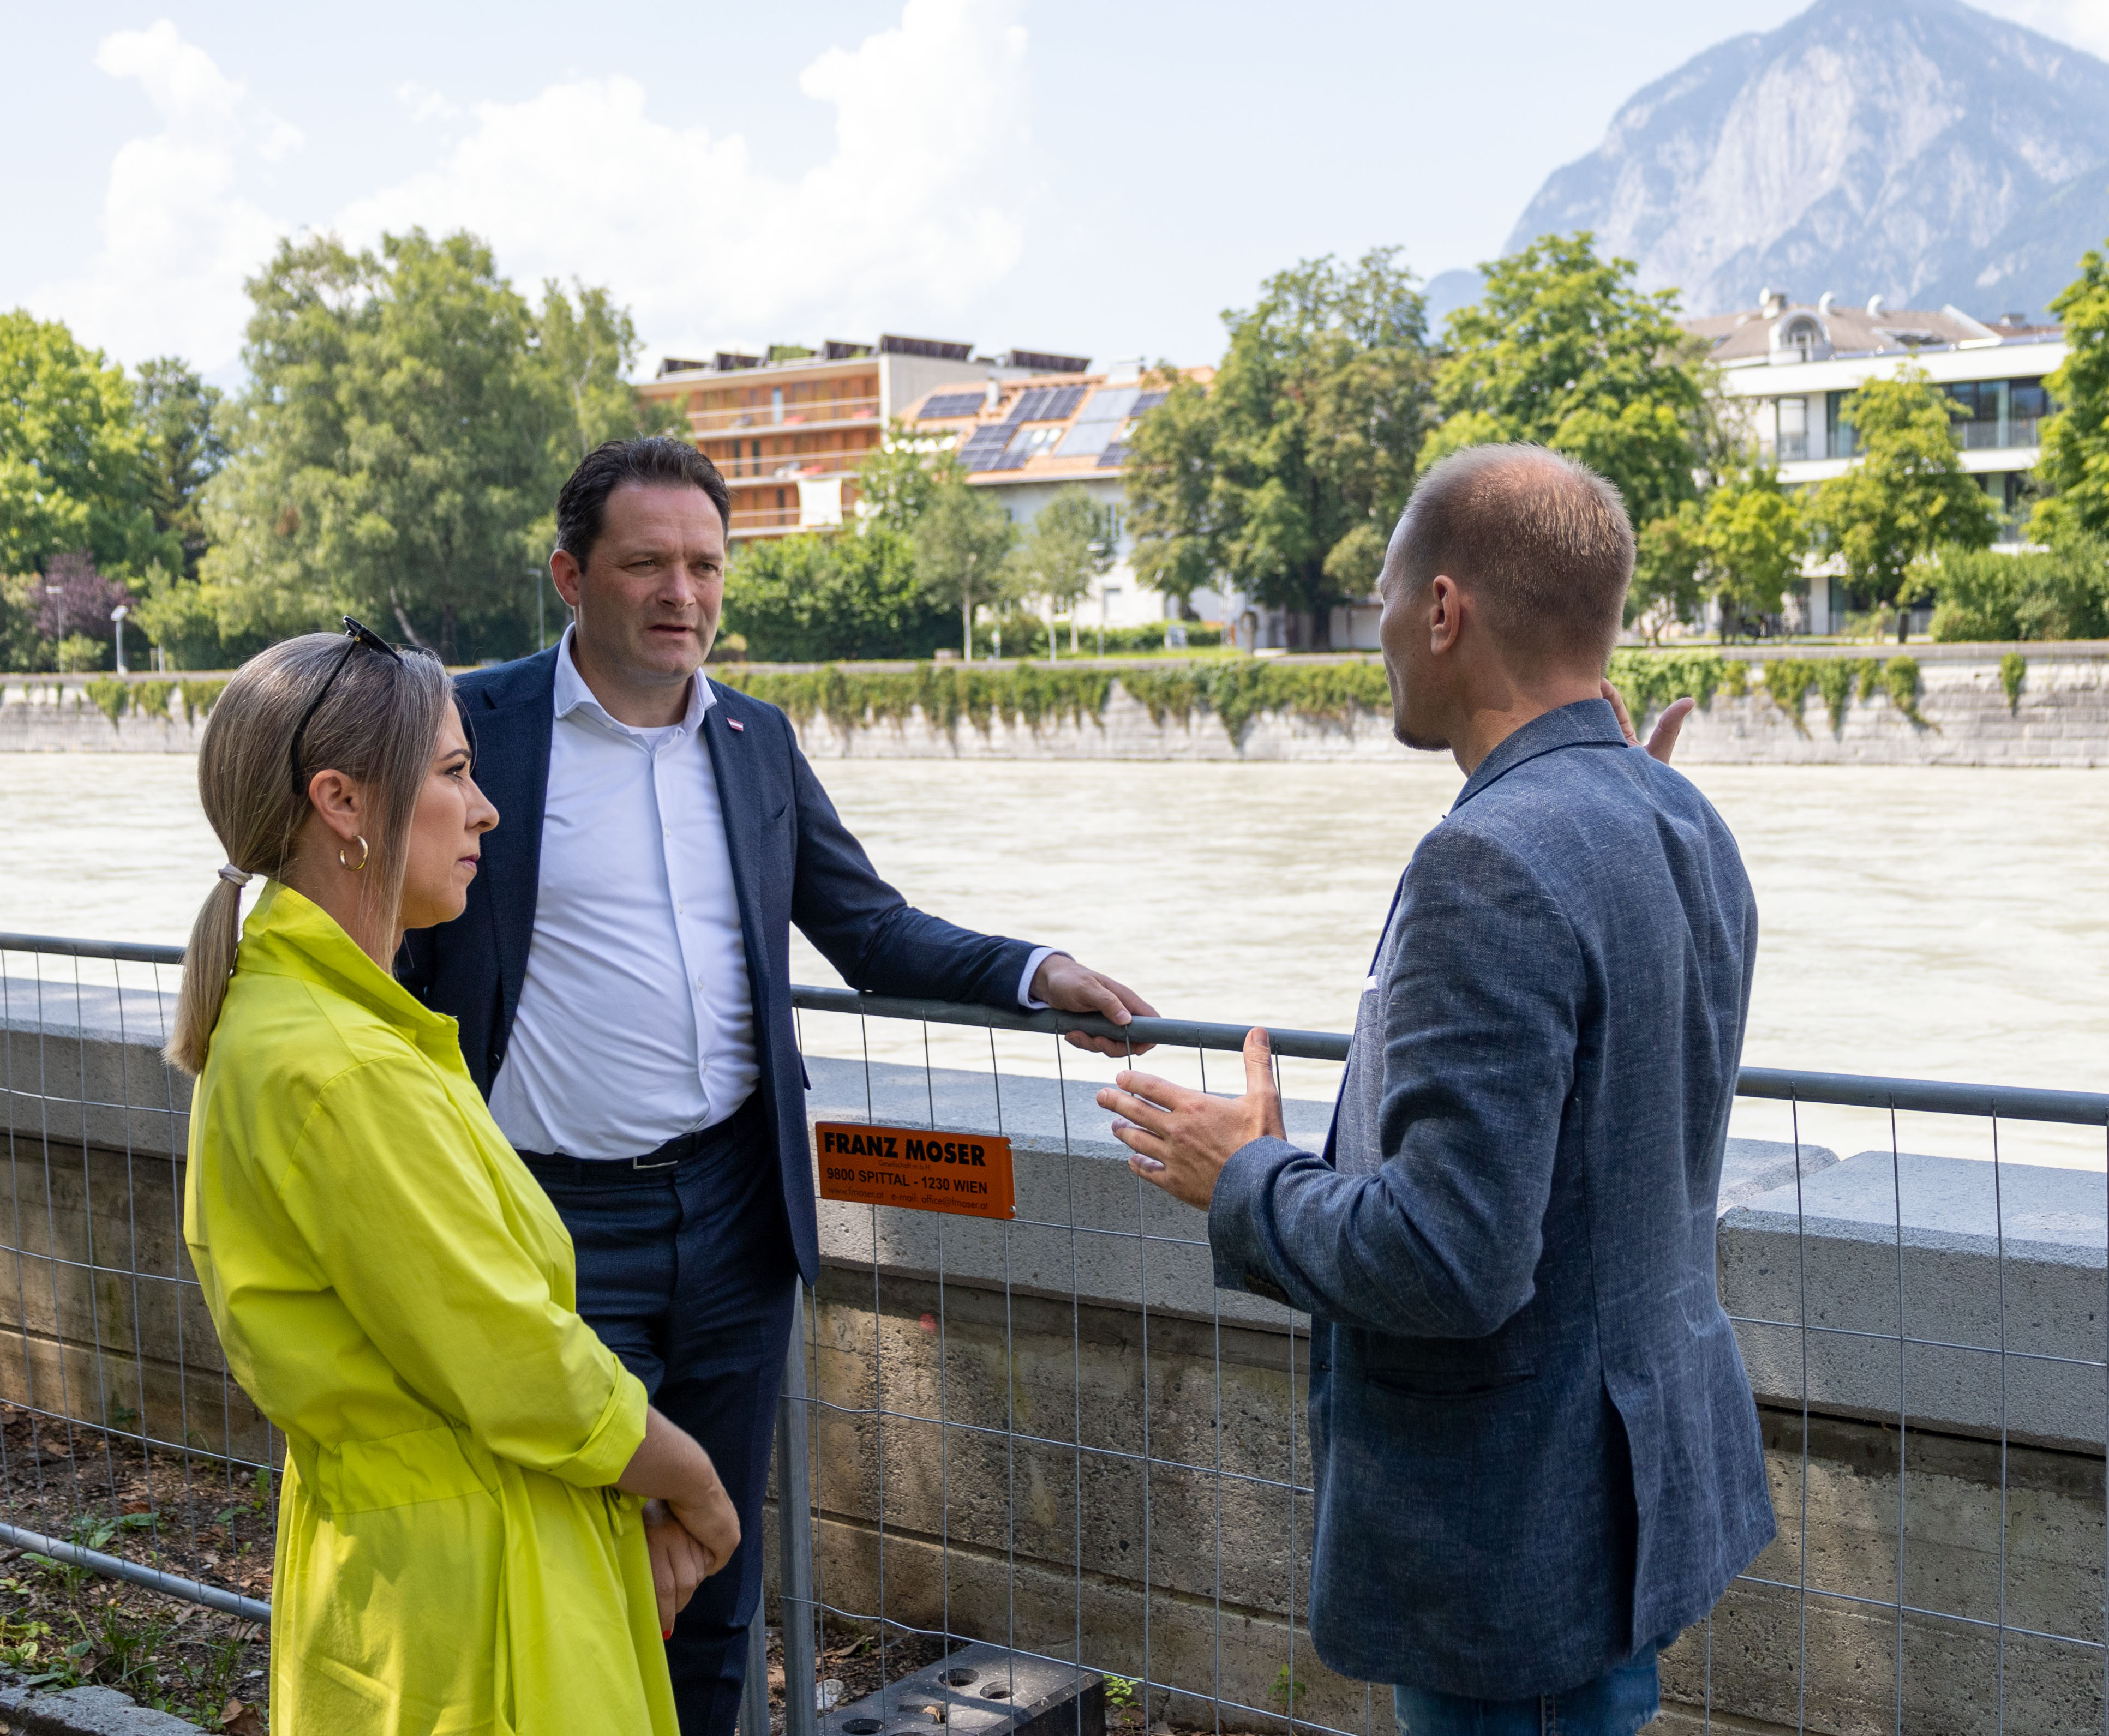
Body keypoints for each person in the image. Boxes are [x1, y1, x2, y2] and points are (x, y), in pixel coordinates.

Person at [397, 437, 1154, 1733]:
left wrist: (1035, 971)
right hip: (549, 1226)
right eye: (646, 563)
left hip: (738, 1220)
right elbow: (383, 926)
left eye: (704, 564)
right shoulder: (476, 731)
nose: (680, 592)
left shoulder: (754, 739)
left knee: (718, 1570)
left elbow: (870, 927)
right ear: (571, 575)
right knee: (574, 1567)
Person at [1097, 444, 1772, 1736]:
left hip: (1514, 1544)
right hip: (1632, 1495)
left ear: (1445, 610)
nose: (1382, 636)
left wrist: (1245, 1176)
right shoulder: (1679, 814)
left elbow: (1451, 1259)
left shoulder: (1488, 859)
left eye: (1386, 601)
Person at [172, 622, 742, 1734]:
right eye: (451, 772)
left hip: (407, 1564)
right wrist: (695, 1482)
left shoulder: (298, 1023)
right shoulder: (343, 1065)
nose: (484, 810)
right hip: (480, 1586)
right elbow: (513, 1357)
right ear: (343, 803)